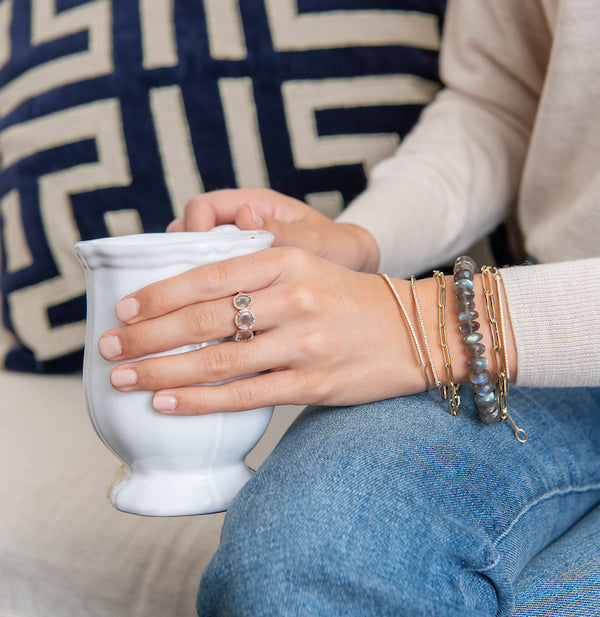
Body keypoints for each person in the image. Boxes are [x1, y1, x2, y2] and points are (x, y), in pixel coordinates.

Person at [98, 1, 600, 615]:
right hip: (547, 371)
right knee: (296, 568)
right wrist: (363, 243)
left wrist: (428, 320)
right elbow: (504, 101)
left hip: (514, 326)